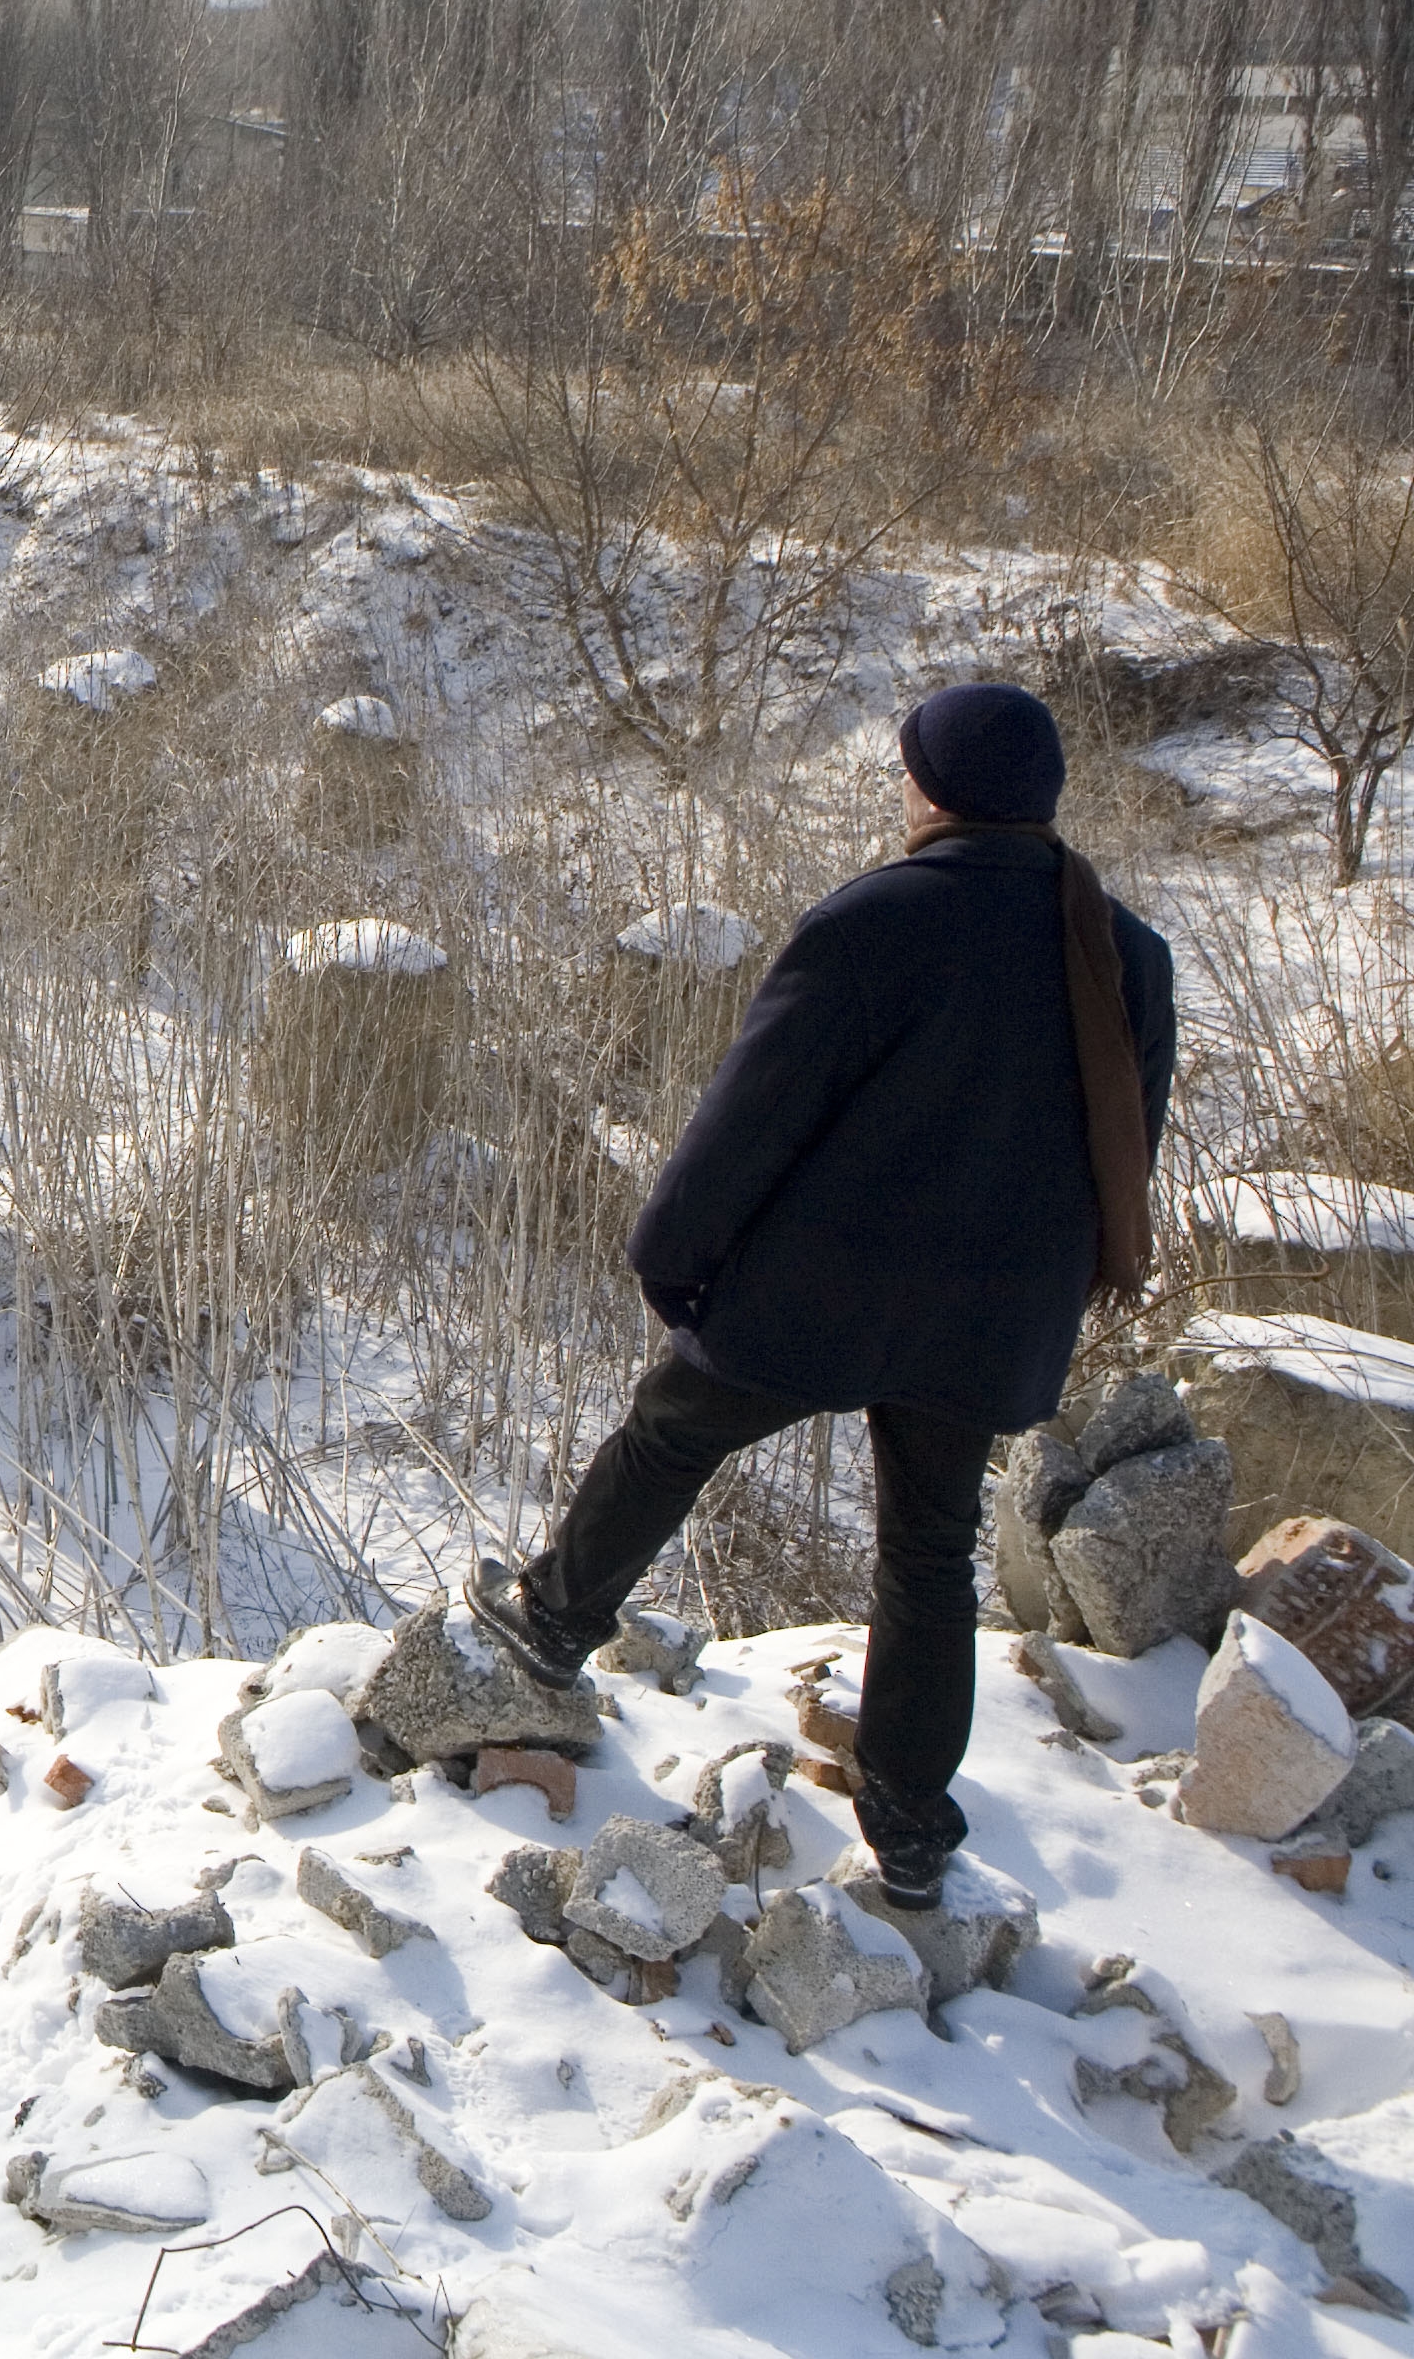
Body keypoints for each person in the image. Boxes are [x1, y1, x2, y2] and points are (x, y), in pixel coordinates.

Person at [468, 681, 1176, 1907]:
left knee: (671, 1430)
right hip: (988, 1313)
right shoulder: (1122, 950)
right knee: (929, 1548)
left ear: (934, 787)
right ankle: (907, 1825)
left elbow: (755, 1110)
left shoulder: (878, 918)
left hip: (821, 1292)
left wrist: (669, 1248)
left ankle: (551, 1621)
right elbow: (1125, 1144)